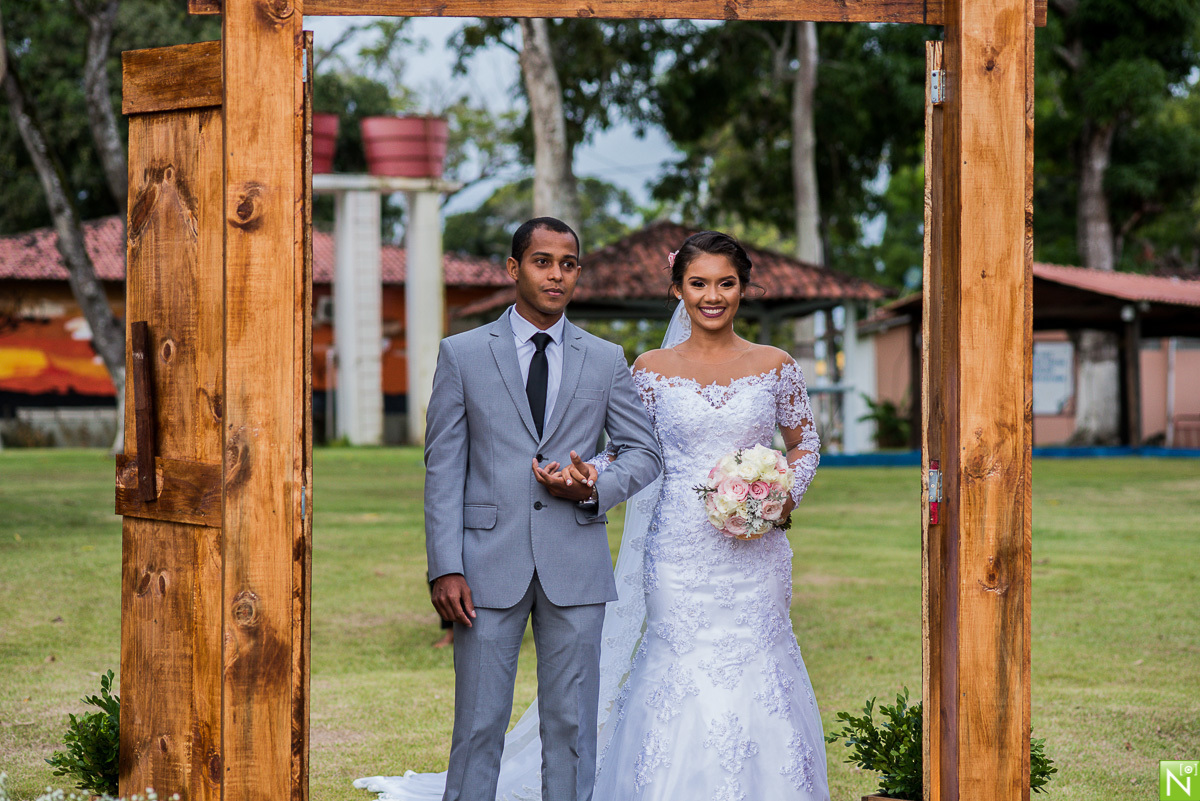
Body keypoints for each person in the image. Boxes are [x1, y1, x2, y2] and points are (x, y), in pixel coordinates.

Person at [355, 230, 826, 801]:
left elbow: (665, 451)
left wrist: (777, 494)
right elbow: (454, 468)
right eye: (698, 282)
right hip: (641, 553)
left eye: (726, 283)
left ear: (744, 289)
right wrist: (576, 481)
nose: (712, 295)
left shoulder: (643, 360)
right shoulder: (626, 367)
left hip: (724, 555)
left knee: (591, 719)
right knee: (486, 720)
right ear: (677, 289)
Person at [413, 217, 662, 801]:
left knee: (573, 723)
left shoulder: (604, 359)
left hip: (575, 561)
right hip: (483, 566)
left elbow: (644, 451)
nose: (557, 274)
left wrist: (594, 484)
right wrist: (445, 565)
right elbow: (443, 467)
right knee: (478, 724)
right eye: (542, 261)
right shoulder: (463, 354)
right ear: (513, 268)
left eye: (568, 263)